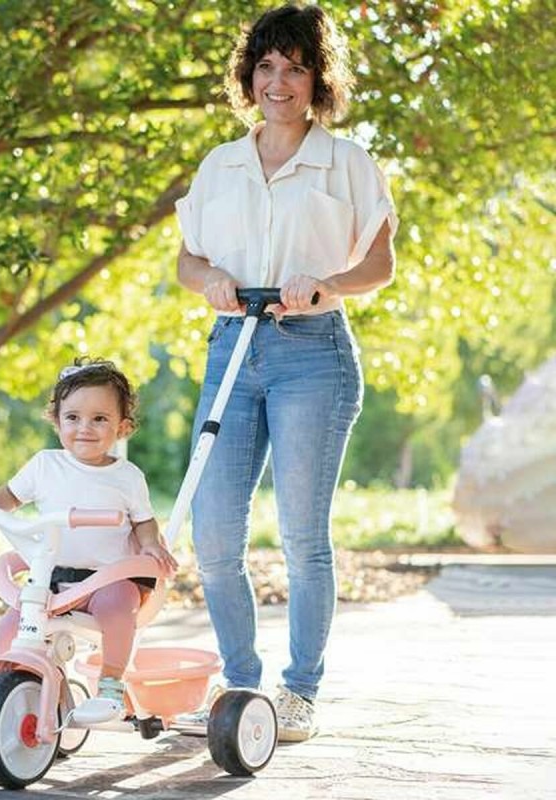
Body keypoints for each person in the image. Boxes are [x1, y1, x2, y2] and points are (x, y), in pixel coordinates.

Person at [175, 3, 397, 741]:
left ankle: (299, 691)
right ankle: (241, 685)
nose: (279, 81)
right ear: (249, 76)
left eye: (296, 68)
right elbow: (188, 259)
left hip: (312, 355)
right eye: (266, 66)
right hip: (231, 349)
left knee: (302, 538)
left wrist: (327, 284)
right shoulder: (221, 165)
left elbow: (380, 263)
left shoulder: (348, 162)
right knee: (213, 537)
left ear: (317, 80)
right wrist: (209, 279)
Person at [0, 358, 177, 717]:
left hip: (107, 579)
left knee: (118, 610)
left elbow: (144, 521)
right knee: (9, 630)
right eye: (73, 417)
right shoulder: (45, 465)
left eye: (99, 419)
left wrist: (152, 544)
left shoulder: (127, 476)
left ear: (122, 427)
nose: (84, 428)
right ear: (56, 421)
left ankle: (110, 683)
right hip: (54, 579)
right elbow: (10, 495)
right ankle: (36, 689)